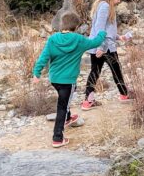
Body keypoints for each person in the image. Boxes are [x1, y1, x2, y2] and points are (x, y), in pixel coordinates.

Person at [32, 10, 106, 147]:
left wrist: (36, 73)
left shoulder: (52, 39)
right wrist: (102, 32)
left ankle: (67, 118)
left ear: (62, 24)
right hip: (68, 81)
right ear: (76, 27)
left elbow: (43, 57)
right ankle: (57, 138)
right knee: (62, 105)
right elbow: (95, 42)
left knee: (64, 100)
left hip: (54, 79)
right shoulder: (78, 40)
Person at [80, 0, 131, 110]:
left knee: (95, 72)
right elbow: (100, 29)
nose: (119, 1)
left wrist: (119, 37)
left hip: (100, 45)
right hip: (104, 47)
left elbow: (108, 29)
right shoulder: (105, 7)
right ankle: (124, 94)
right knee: (115, 70)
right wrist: (101, 47)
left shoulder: (102, 5)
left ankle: (88, 101)